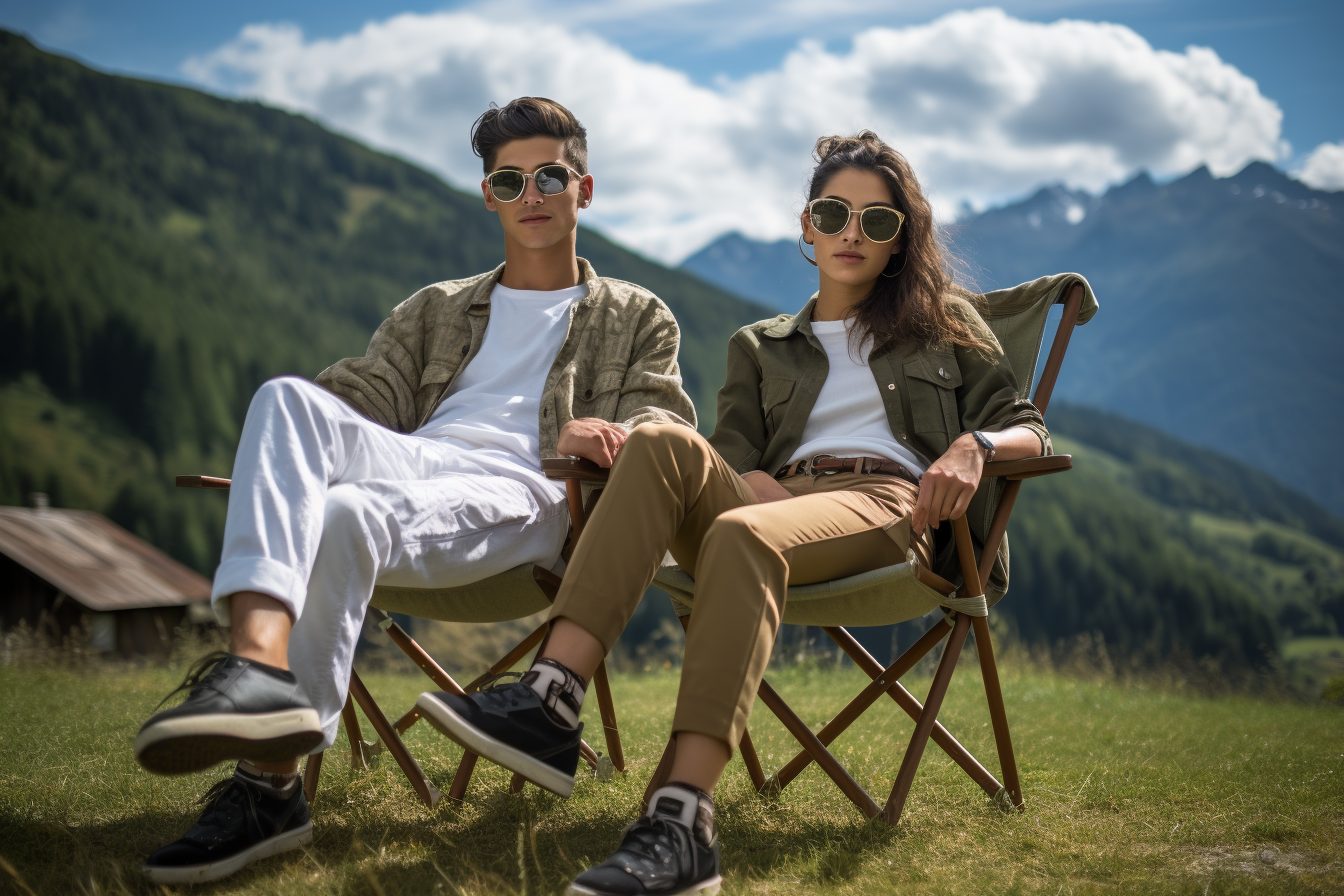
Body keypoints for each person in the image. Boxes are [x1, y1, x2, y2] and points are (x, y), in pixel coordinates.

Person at [415, 130, 1052, 896]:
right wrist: (751, 482)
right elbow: (727, 456)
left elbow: (1028, 421)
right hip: (772, 503)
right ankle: (551, 700)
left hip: (887, 504)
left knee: (743, 533)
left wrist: (973, 447)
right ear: (806, 228)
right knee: (660, 443)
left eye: (877, 222)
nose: (853, 233)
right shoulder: (761, 347)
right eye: (834, 213)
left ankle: (683, 824)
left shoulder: (943, 322)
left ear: (898, 242)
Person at [131, 96, 695, 885]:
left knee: (348, 512)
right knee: (287, 402)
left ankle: (268, 787)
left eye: (548, 177)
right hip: (417, 465)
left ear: (584, 189)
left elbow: (662, 430)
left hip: (529, 493)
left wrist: (592, 433)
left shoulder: (637, 314)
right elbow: (353, 400)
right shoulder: (435, 307)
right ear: (487, 196)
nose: (529, 196)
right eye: (508, 182)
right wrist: (307, 447)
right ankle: (255, 668)